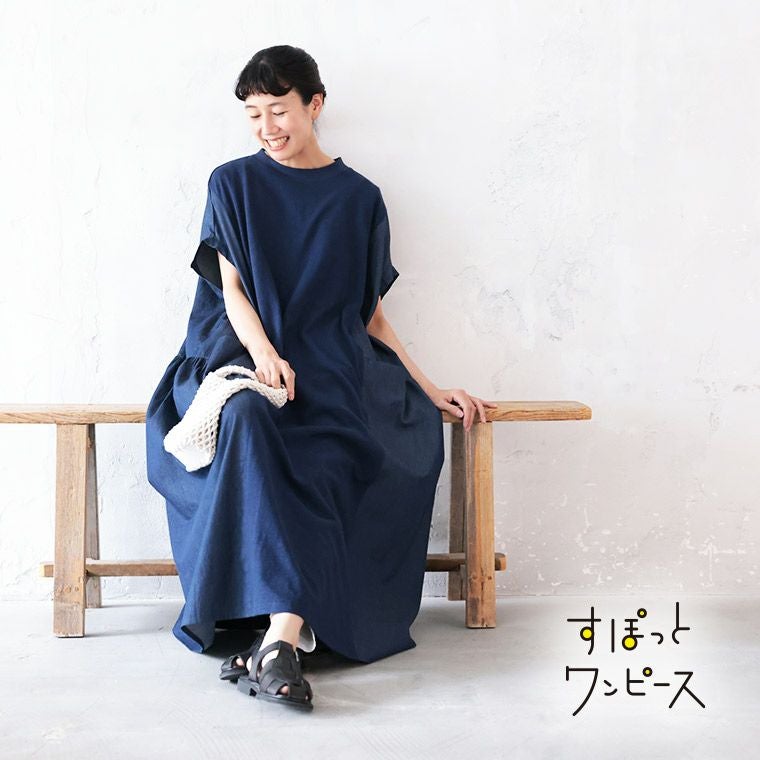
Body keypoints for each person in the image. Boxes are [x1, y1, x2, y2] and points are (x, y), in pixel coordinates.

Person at [145, 44, 496, 711]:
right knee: (250, 421)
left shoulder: (359, 199)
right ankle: (279, 641)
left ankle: (277, 640)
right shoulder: (232, 183)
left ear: (314, 104)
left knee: (338, 452)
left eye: (278, 110)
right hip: (239, 355)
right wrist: (265, 355)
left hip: (334, 366)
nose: (266, 127)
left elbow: (371, 317)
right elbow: (231, 289)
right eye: (253, 114)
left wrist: (429, 389)